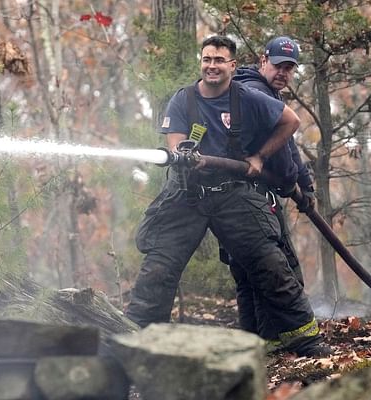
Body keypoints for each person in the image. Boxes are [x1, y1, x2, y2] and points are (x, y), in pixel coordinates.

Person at [125, 35, 330, 357]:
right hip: (186, 196)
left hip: (233, 194)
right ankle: (136, 344)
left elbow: (291, 122)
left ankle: (304, 339)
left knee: (270, 264)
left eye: (219, 60)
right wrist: (183, 154)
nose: (212, 66)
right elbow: (175, 144)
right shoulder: (183, 100)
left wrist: (260, 157)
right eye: (207, 59)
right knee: (158, 269)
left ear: (232, 66)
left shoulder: (249, 98)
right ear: (201, 63)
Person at [222, 36, 319, 352]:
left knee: (251, 278)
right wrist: (293, 183)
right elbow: (279, 156)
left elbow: (287, 145)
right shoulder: (252, 94)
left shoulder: (263, 93)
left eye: (290, 68)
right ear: (263, 59)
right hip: (248, 199)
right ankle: (281, 345)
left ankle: (258, 346)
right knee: (278, 274)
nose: (284, 73)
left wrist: (305, 184)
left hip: (247, 199)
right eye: (279, 65)